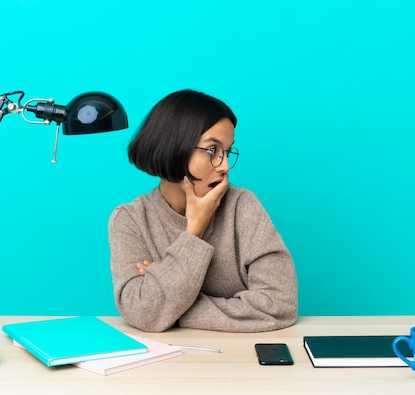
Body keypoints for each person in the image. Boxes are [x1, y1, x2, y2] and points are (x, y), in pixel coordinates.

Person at [108, 89, 298, 333]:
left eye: (227, 152)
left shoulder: (243, 206)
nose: (225, 166)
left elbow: (279, 306)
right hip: (168, 365)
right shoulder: (130, 220)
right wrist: (193, 232)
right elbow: (142, 312)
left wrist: (171, 303)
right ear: (174, 146)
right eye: (212, 151)